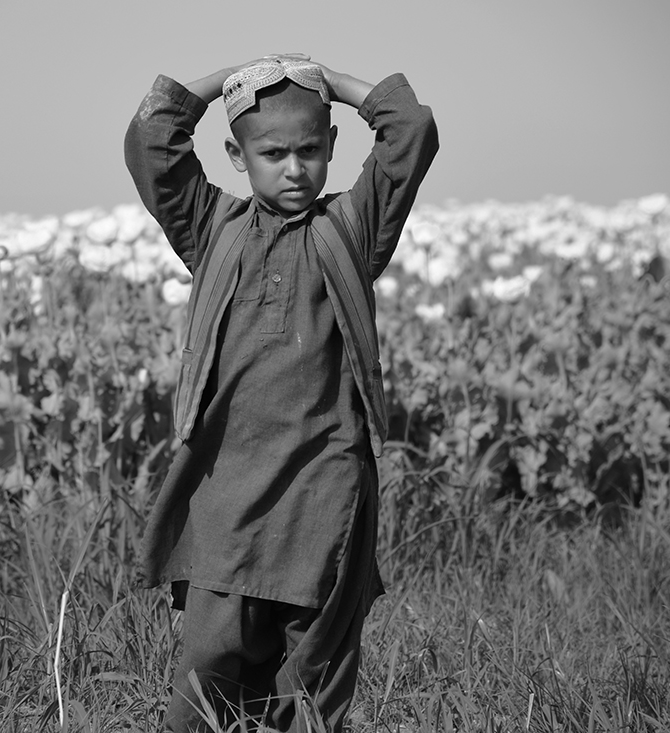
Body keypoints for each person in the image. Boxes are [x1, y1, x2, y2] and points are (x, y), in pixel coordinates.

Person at [124, 53, 438, 732]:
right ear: (238, 156)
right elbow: (153, 141)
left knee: (308, 688)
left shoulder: (350, 232)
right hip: (226, 495)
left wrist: (326, 78)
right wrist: (236, 77)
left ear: (330, 148)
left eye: (309, 150)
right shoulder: (213, 231)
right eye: (273, 153)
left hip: (323, 493)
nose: (294, 168)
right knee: (207, 668)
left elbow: (409, 128)